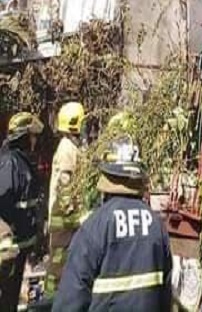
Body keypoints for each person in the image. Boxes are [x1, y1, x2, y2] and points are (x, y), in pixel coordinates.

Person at [53, 136, 173, 311]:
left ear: (107, 177)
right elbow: (165, 294)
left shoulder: (95, 226)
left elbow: (72, 297)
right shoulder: (156, 226)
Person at [0, 112, 43, 312]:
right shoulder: (10, 163)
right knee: (7, 297)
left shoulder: (21, 161)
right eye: (32, 136)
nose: (35, 140)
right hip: (11, 248)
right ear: (24, 137)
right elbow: (4, 200)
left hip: (21, 245)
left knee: (12, 297)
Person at [44, 102, 86, 296]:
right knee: (57, 265)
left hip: (65, 219)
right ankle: (50, 300)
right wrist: (71, 212)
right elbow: (65, 183)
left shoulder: (71, 147)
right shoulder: (67, 149)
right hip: (63, 219)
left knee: (63, 263)